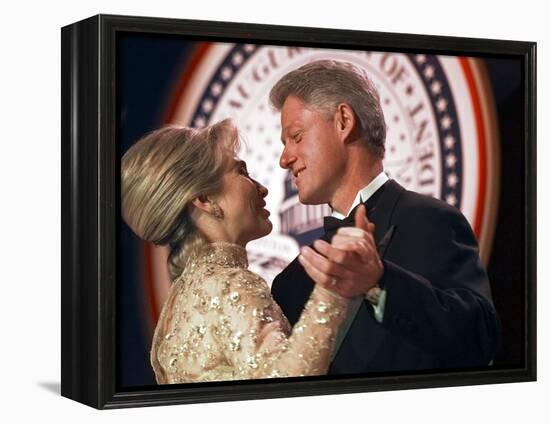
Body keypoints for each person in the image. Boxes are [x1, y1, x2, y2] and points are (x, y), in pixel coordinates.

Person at [269, 59, 501, 374]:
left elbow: (479, 339)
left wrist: (379, 283)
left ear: (343, 121)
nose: (285, 158)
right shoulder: (290, 283)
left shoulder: (429, 221)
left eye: (296, 136)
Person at [121, 119, 355, 384]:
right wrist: (334, 289)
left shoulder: (178, 302)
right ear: (204, 200)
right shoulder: (230, 285)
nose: (262, 188)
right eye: (241, 171)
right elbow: (283, 385)